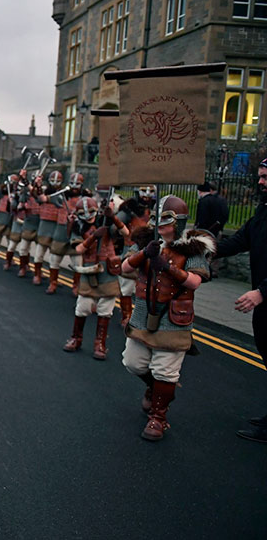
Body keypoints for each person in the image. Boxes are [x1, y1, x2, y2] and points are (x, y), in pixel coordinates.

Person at [120, 195, 213, 441]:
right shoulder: (145, 240)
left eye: (168, 220)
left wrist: (167, 266)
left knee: (165, 371)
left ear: (179, 222)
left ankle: (158, 417)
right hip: (143, 314)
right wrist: (144, 255)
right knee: (133, 362)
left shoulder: (194, 248)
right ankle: (156, 389)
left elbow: (195, 281)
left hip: (174, 318)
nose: (161, 225)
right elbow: (125, 268)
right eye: (158, 219)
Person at [214, 158, 267, 442]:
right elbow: (241, 240)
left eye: (265, 178)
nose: (260, 182)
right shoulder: (263, 210)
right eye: (260, 177)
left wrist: (261, 292)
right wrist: (206, 249)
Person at [62, 194, 127, 360]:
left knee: (105, 310)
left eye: (91, 212)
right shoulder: (77, 226)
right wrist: (93, 237)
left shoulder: (106, 222)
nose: (88, 216)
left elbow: (125, 232)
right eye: (84, 214)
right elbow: (78, 250)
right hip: (90, 272)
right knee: (83, 306)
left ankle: (100, 344)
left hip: (108, 272)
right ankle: (76, 338)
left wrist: (113, 218)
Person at [115, 185, 157, 325]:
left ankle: (143, 315)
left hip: (151, 252)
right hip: (132, 248)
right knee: (126, 287)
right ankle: (126, 315)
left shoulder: (158, 207)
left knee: (148, 287)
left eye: (151, 191)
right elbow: (117, 224)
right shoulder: (130, 208)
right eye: (144, 190)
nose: (147, 194)